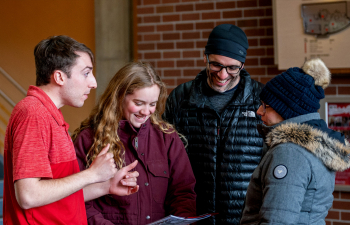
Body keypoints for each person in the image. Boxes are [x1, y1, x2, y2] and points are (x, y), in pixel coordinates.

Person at [3, 35, 139, 225]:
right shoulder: (33, 113)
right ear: (59, 77)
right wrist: (91, 174)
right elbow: (29, 196)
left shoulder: (49, 115)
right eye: (86, 73)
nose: (93, 83)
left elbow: (56, 196)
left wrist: (105, 186)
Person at [72, 62, 196, 225]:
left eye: (152, 104)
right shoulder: (88, 138)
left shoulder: (167, 138)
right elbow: (78, 200)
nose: (146, 112)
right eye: (138, 103)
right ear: (119, 96)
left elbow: (183, 193)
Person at [163, 24, 264, 224]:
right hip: (194, 215)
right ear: (205, 58)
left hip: (245, 218)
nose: (223, 75)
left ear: (242, 65)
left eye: (232, 67)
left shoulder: (260, 100)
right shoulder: (180, 98)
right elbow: (166, 158)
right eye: (216, 65)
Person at [240, 58, 350, 224]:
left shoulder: (289, 153)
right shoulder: (316, 145)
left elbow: (277, 220)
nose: (259, 111)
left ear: (287, 110)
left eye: (265, 105)